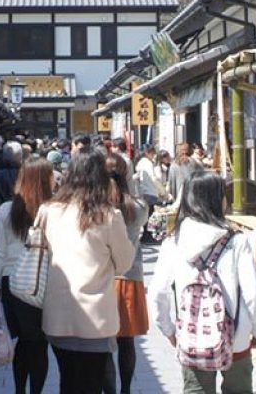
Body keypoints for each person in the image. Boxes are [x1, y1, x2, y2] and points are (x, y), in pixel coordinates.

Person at [149, 173, 256, 394]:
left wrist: (169, 331)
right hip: (236, 338)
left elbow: (157, 293)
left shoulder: (173, 242)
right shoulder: (236, 241)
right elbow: (255, 293)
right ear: (216, 200)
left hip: (192, 336)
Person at [41, 149, 135, 393]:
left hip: (57, 314)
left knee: (67, 381)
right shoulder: (108, 215)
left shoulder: (49, 211)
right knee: (91, 383)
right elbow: (125, 263)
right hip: (95, 317)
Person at [0, 158, 55, 394]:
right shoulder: (52, 210)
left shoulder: (7, 209)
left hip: (11, 284)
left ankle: (19, 390)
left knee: (23, 343)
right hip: (41, 282)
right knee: (39, 345)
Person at [102, 154, 150, 394]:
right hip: (130, 277)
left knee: (105, 342)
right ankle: (126, 390)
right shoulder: (138, 206)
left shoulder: (96, 205)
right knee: (127, 340)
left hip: (103, 279)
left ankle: (109, 390)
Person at [0, 141, 23, 213]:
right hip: (24, 214)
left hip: (3, 214)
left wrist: (3, 209)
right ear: (20, 156)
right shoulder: (27, 173)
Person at [167, 143, 199, 209]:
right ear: (178, 153)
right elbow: (172, 185)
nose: (184, 155)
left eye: (186, 153)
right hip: (179, 197)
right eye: (182, 153)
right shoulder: (174, 166)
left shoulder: (193, 162)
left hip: (193, 195)